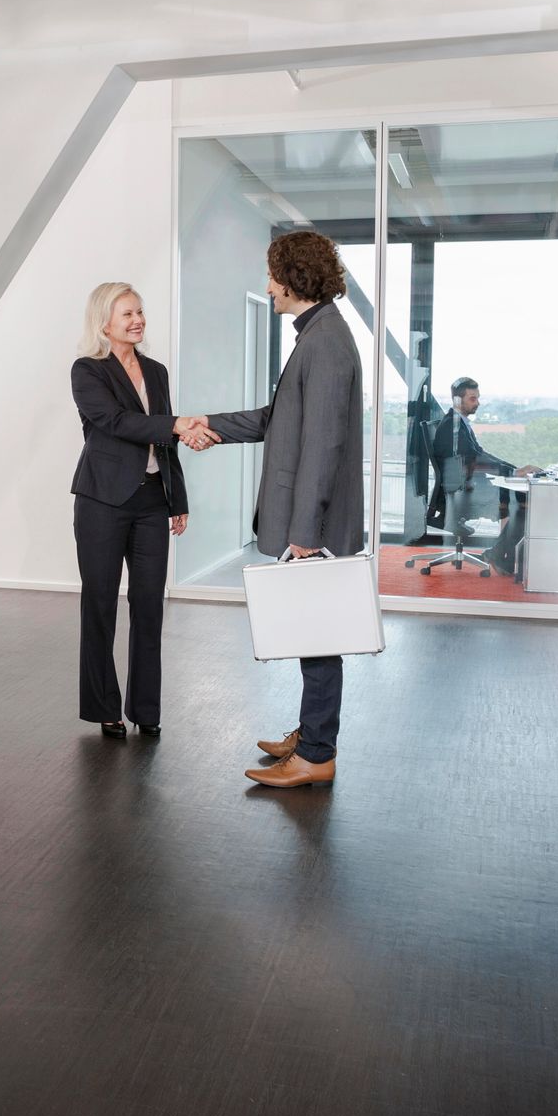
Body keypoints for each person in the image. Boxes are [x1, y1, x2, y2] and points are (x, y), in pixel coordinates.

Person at [189, 231, 362, 787]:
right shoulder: (317, 335)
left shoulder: (326, 342)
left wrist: (305, 530)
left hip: (317, 525)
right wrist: (209, 424)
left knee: (319, 633)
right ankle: (311, 735)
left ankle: (316, 755)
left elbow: (324, 444)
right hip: (312, 520)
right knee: (313, 630)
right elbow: (277, 418)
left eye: (271, 275)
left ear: (293, 278)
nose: (267, 287)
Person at [70, 282, 214, 739]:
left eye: (140, 312)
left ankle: (146, 709)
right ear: (104, 322)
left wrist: (179, 497)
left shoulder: (156, 371)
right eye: (127, 314)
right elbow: (114, 423)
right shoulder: (88, 371)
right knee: (99, 605)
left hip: (153, 500)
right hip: (102, 502)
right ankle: (103, 707)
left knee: (149, 606)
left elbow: (165, 441)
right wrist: (176, 424)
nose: (137, 320)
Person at [426, 376, 539, 574]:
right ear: (457, 400)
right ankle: (500, 555)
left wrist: (514, 470)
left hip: (465, 487)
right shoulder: (453, 428)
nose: (477, 403)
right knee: (524, 500)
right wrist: (512, 472)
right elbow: (475, 461)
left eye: (477, 398)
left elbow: (479, 454)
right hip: (461, 495)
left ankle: (499, 555)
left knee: (522, 498)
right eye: (472, 398)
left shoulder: (459, 423)